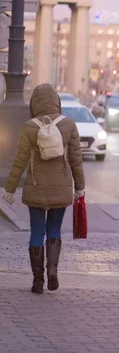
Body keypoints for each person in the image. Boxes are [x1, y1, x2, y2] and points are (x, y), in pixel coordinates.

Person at [2, 83, 85, 294]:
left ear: (35, 103)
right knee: (54, 230)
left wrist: (9, 189)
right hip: (61, 188)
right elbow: (76, 161)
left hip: (35, 187)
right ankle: (52, 271)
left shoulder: (29, 127)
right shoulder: (69, 125)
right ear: (56, 101)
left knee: (37, 231)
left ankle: (37, 280)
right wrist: (80, 188)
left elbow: (19, 161)